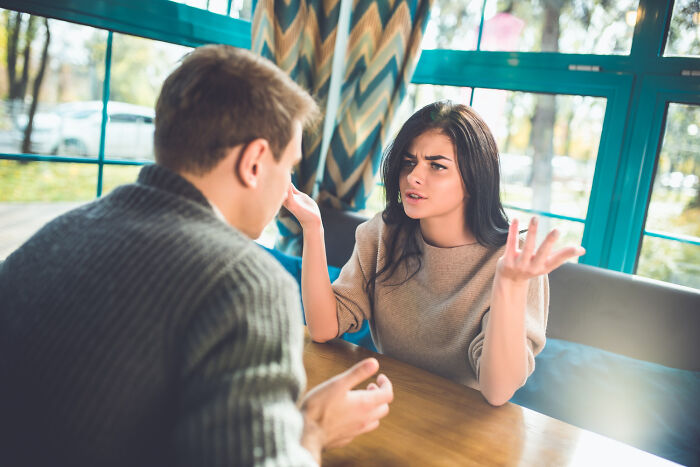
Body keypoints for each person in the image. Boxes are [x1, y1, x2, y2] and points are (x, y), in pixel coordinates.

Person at [0, 45, 393, 466]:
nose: (287, 189)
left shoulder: (56, 234)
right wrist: (312, 432)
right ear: (256, 162)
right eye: (288, 167)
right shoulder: (244, 282)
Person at [284, 101, 585, 407]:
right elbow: (323, 329)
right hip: (389, 403)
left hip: (464, 425)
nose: (413, 177)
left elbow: (497, 391)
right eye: (408, 162)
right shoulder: (382, 234)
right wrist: (313, 227)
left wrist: (510, 284)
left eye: (437, 165)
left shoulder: (515, 262)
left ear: (473, 178)